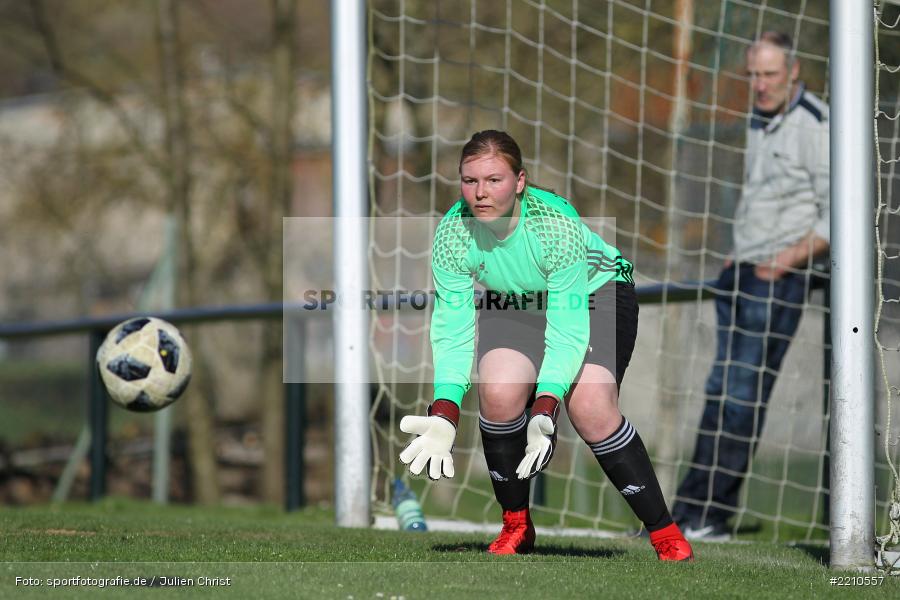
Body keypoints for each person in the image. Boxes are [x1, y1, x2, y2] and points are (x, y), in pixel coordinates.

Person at [398, 129, 693, 561]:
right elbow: (452, 330)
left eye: (494, 180)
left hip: (596, 293)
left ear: (520, 182)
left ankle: (665, 533)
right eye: (470, 180)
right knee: (497, 394)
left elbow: (568, 329)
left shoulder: (554, 226)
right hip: (516, 300)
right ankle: (516, 525)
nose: (480, 193)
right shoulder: (452, 235)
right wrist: (444, 411)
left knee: (589, 405)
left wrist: (546, 404)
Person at [671, 31, 830, 540]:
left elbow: (838, 214)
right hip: (742, 270)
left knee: (743, 394)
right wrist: (740, 253)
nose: (759, 86)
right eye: (753, 75)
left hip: (780, 278)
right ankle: (686, 513)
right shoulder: (760, 120)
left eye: (769, 75)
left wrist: (783, 260)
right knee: (718, 392)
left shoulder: (819, 126)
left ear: (794, 70)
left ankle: (714, 515)